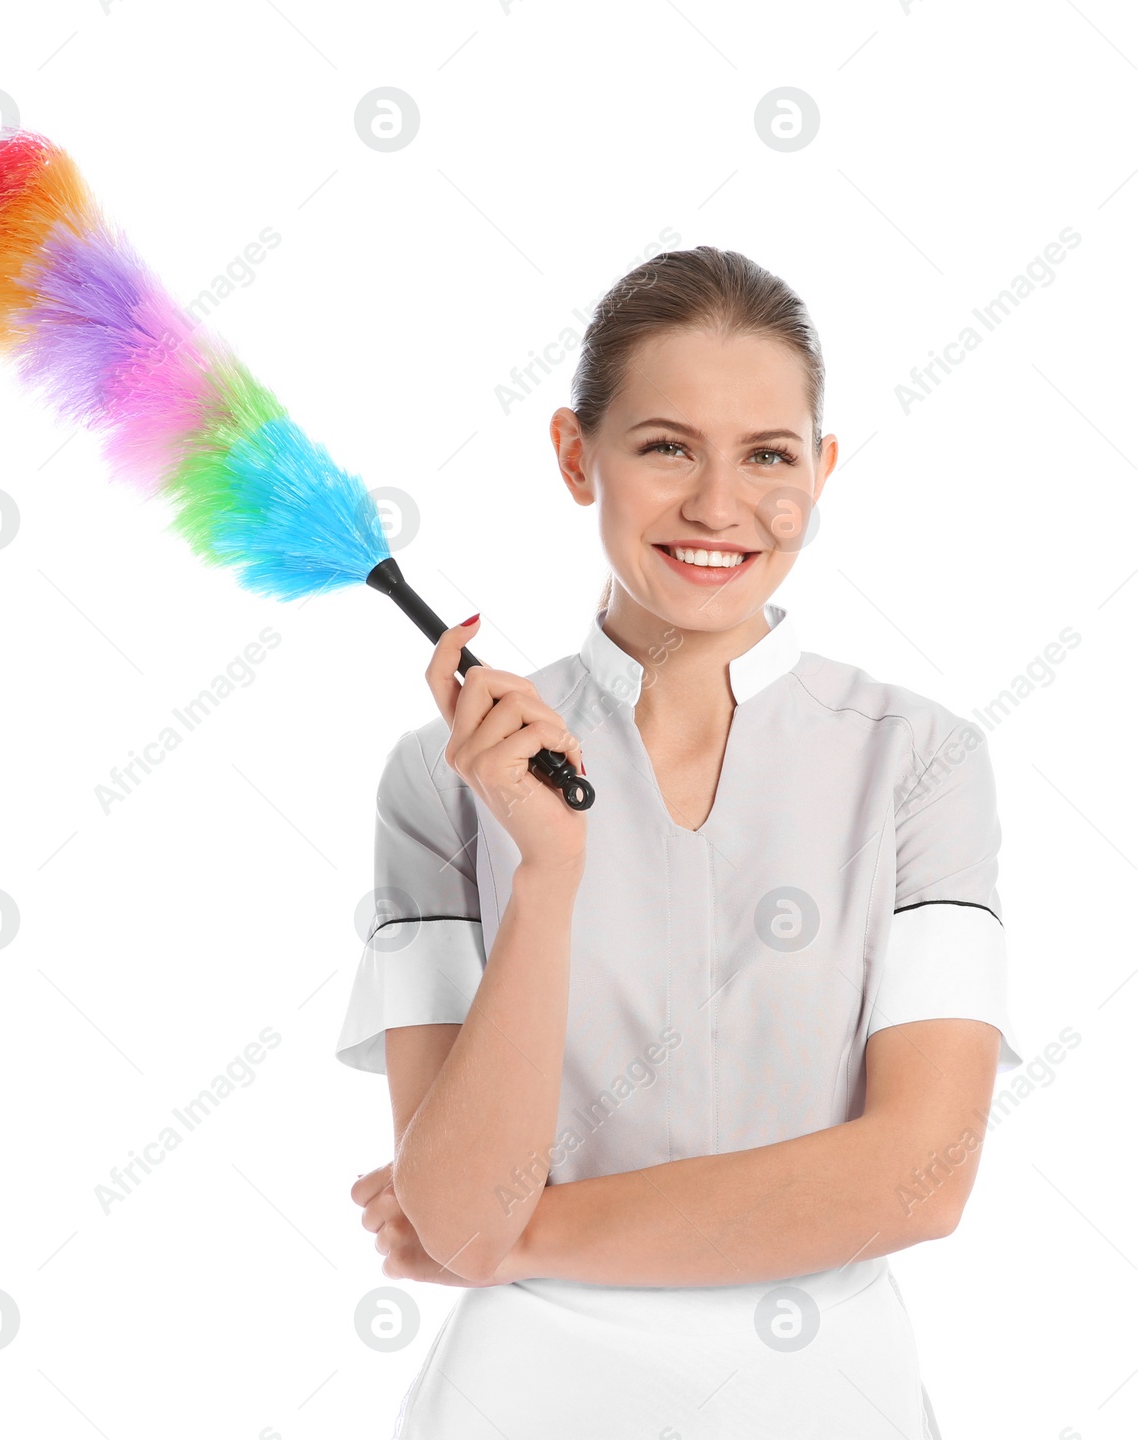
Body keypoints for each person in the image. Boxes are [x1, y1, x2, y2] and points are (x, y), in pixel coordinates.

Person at [336, 245, 1022, 1439]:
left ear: (821, 470)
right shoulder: (440, 782)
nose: (718, 506)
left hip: (825, 1400)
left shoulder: (922, 763)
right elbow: (455, 1207)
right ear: (573, 455)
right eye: (664, 447)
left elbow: (922, 1174)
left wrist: (518, 1231)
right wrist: (545, 872)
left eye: (767, 454)